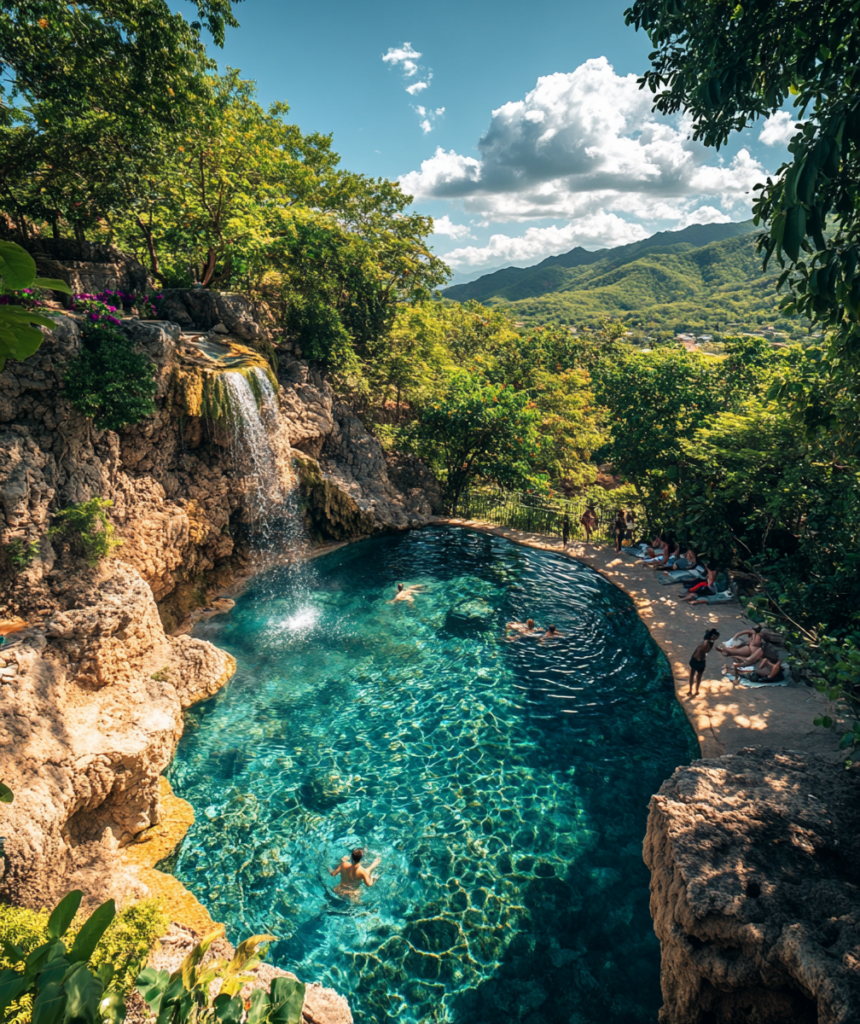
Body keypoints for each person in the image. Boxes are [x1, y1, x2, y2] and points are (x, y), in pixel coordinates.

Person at [687, 629, 719, 697]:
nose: (716, 638)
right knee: (693, 675)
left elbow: (707, 650)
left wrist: (710, 637)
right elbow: (705, 649)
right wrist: (708, 638)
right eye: (715, 637)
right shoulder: (706, 642)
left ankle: (696, 690)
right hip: (696, 660)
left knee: (698, 676)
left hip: (700, 661)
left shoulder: (710, 642)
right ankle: (690, 690)